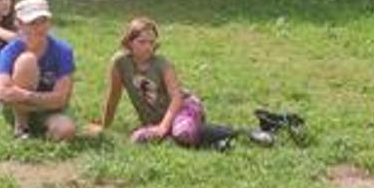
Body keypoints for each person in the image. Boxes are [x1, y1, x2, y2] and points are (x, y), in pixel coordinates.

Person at [90, 17, 265, 149]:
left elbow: (176, 99)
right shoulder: (120, 63)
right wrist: (105, 126)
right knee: (137, 140)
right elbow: (114, 96)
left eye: (151, 42)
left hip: (183, 107)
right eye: (141, 42)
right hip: (157, 119)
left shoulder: (162, 64)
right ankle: (215, 144)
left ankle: (244, 133)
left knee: (182, 133)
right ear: (129, 42)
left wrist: (162, 128)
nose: (147, 47)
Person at [0, 0, 77, 141]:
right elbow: (3, 93)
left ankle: (39, 128)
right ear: (19, 24)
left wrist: (26, 97)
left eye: (44, 21)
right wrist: (46, 99)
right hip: (17, 109)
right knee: (27, 60)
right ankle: (22, 125)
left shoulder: (63, 50)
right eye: (32, 23)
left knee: (66, 130)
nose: (40, 27)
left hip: (46, 110)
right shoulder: (10, 51)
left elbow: (61, 99)